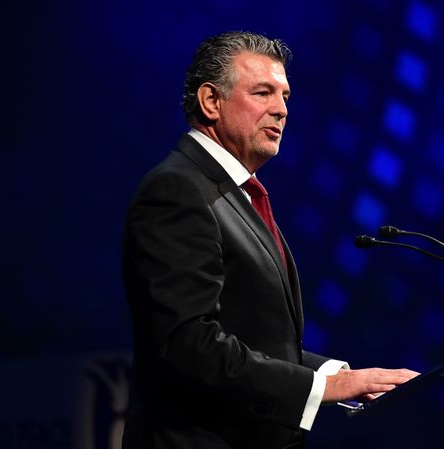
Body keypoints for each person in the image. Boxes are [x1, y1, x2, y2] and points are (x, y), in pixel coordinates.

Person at [121, 31, 418, 449]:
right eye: (263, 93)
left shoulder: (234, 191)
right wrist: (318, 389)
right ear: (211, 102)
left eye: (285, 97)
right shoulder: (176, 190)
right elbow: (188, 345)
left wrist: (334, 375)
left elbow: (253, 339)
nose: (280, 110)